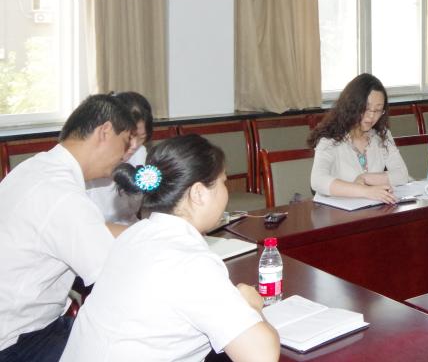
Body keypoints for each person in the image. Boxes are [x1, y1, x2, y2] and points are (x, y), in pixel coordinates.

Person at [60, 135, 279, 362]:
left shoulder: (135, 235)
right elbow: (262, 356)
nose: (226, 192)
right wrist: (251, 307)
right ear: (198, 193)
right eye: (223, 182)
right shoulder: (190, 263)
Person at [0, 94, 134, 362]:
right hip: (19, 342)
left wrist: (153, 232)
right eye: (125, 142)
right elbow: (113, 275)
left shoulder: (36, 168)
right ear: (105, 131)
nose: (124, 155)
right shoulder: (62, 194)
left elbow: (93, 230)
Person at [309, 73, 410, 204]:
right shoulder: (330, 139)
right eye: (366, 109)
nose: (371, 116)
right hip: (338, 212)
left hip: (372, 210)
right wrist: (366, 191)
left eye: (378, 110)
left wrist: (365, 178)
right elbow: (317, 180)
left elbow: (402, 174)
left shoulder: (382, 135)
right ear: (352, 106)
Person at [86, 91, 154, 225]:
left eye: (141, 137)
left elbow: (136, 206)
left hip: (129, 225)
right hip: (95, 229)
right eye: (130, 137)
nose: (134, 145)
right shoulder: (89, 161)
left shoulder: (140, 153)